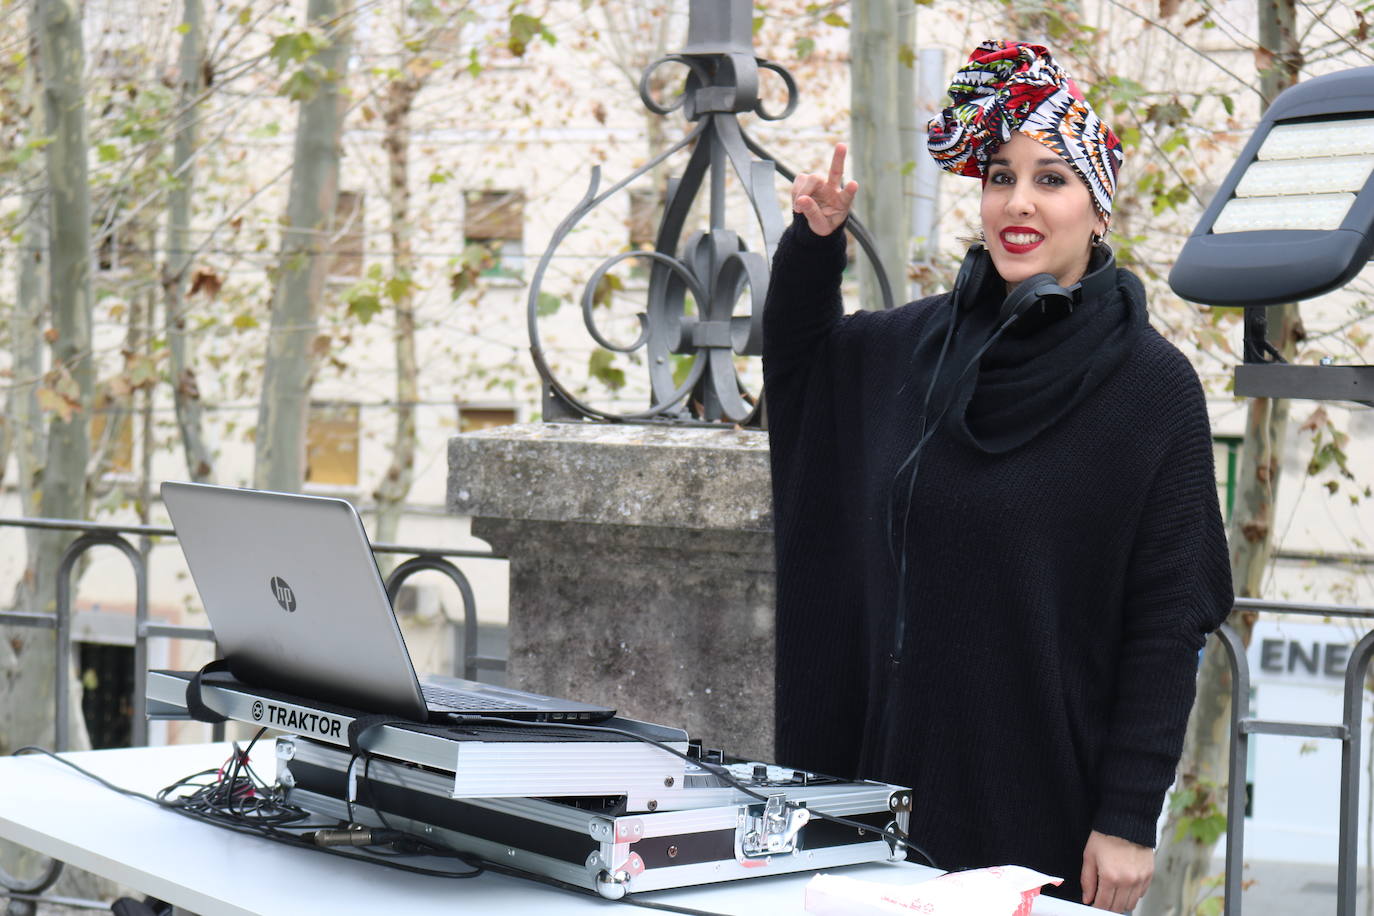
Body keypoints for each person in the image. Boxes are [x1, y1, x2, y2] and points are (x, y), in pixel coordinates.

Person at [762, 39, 1233, 913]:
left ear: (1098, 210)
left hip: (1037, 809)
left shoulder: (1153, 389)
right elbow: (800, 378)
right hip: (868, 805)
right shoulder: (906, 348)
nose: (1018, 203)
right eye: (999, 176)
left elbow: (1169, 621)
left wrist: (1130, 817)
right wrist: (813, 245)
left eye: (1052, 178)